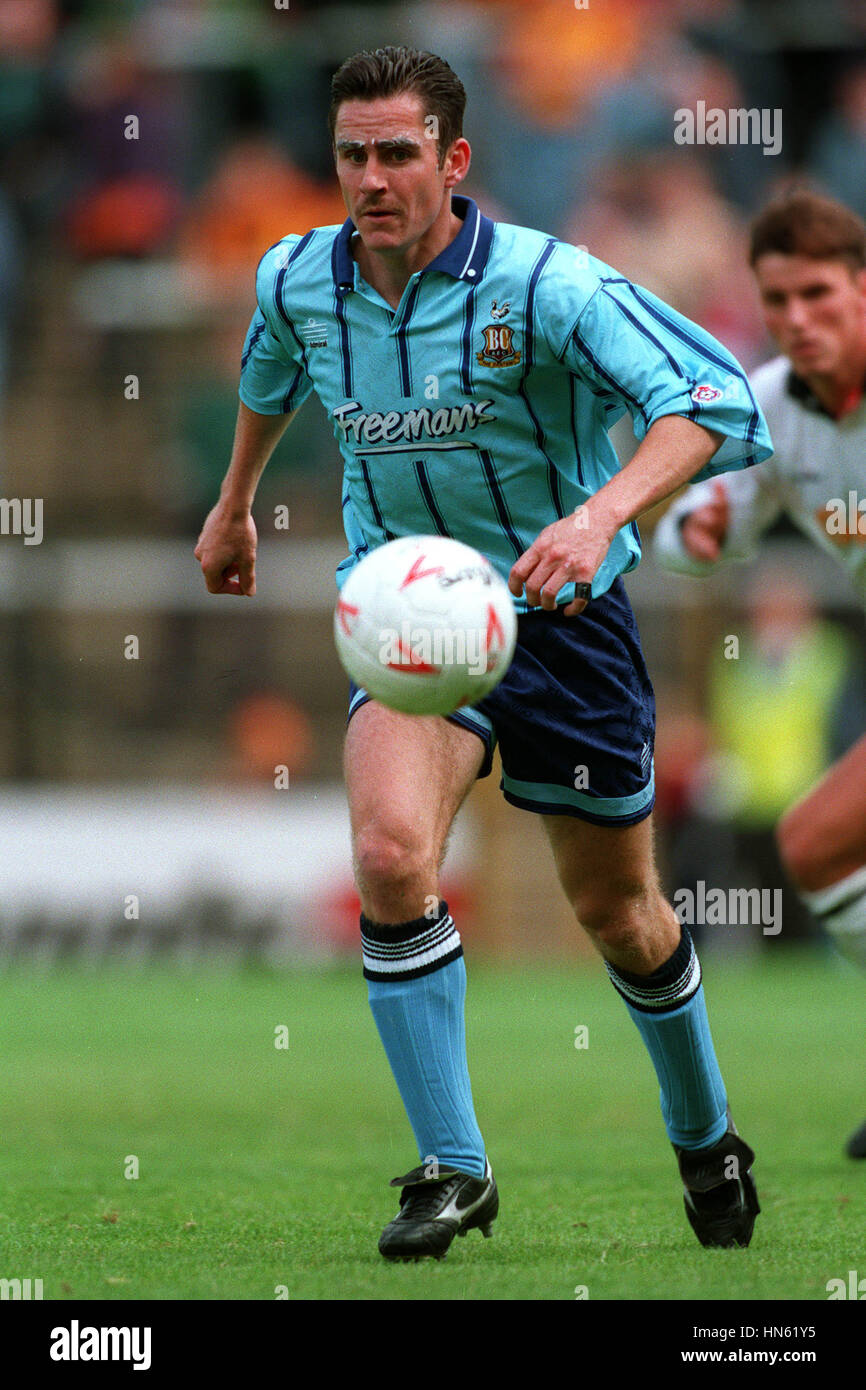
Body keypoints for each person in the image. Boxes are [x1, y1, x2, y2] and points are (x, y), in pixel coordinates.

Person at [195, 46, 771, 1259]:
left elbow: (718, 404)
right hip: (407, 619)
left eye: (396, 152)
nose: (369, 177)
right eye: (350, 153)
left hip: (563, 623)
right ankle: (451, 1169)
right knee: (390, 856)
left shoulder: (545, 285)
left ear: (452, 161)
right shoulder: (298, 277)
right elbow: (267, 369)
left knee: (619, 914)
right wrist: (236, 499)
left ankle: (705, 1132)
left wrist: (599, 511)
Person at [654, 190, 866, 1157]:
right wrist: (695, 532)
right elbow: (698, 523)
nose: (796, 319)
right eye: (776, 300)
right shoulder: (771, 404)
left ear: (861, 290)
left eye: (818, 293)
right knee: (818, 846)